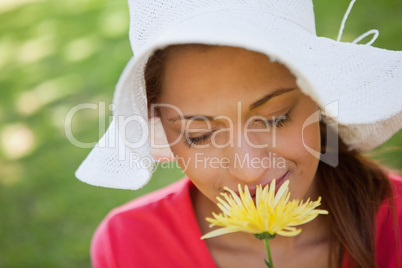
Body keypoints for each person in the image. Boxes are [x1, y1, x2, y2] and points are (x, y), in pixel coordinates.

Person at [75, 0, 402, 267]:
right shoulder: (128, 246)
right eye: (199, 135)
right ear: (161, 127)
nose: (249, 170)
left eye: (276, 118)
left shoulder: (395, 222)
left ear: (318, 97)